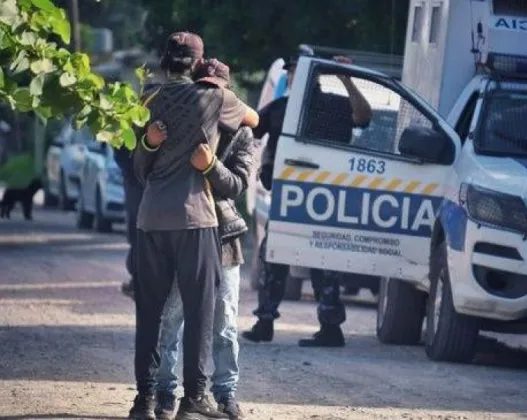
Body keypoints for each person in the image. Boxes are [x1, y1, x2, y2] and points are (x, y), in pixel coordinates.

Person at [128, 31, 257, 420]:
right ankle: (193, 399)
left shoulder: (148, 98)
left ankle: (144, 401)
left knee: (149, 313)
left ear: (165, 60)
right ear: (199, 64)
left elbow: (138, 171)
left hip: (150, 219)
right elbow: (254, 117)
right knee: (202, 313)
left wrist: (151, 142)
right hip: (194, 219)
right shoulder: (216, 98)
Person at [242, 54, 372, 348]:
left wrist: (346, 79)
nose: (294, 78)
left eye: (301, 74)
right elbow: (250, 128)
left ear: (315, 77)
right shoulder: (280, 108)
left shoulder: (337, 105)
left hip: (324, 199)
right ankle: (265, 322)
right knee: (273, 257)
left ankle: (330, 328)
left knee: (325, 261)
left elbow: (363, 116)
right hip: (289, 198)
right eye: (291, 74)